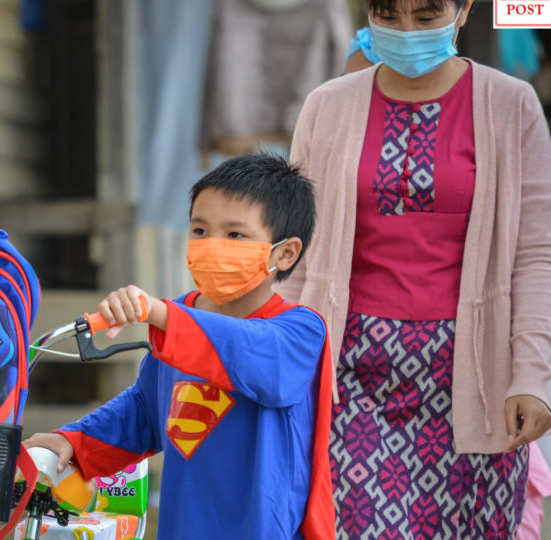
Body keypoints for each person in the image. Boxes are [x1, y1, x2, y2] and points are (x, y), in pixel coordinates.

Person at [277, 0, 551, 537]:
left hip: (475, 376)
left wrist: (530, 375)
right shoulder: (327, 106)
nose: (406, 31)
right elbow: (296, 250)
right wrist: (276, 354)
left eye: (427, 16)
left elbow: (536, 254)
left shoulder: (512, 105)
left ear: (463, 11)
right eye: (388, 15)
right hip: (349, 370)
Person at [25, 153, 335, 539]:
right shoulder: (180, 320)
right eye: (200, 230)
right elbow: (144, 412)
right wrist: (74, 440)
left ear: (285, 253)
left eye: (235, 235)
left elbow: (256, 355)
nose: (211, 246)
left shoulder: (300, 332)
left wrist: (159, 313)